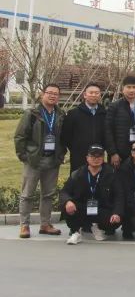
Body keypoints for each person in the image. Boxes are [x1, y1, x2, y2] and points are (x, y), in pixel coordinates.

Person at [14, 83, 66, 239]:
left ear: (58, 97)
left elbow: (64, 137)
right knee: (27, 194)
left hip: (52, 160)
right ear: (43, 94)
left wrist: (61, 154)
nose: (52, 96)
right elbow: (20, 136)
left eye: (55, 94)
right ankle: (24, 225)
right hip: (34, 160)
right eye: (49, 93)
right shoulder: (32, 113)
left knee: (48, 194)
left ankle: (45, 224)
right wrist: (24, 156)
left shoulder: (61, 114)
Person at [60, 144, 123, 245]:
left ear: (103, 158)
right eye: (93, 156)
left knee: (115, 220)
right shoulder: (78, 174)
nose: (96, 159)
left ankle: (96, 227)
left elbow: (119, 196)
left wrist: (117, 213)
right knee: (68, 207)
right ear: (87, 158)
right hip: (83, 208)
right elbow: (64, 192)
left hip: (102, 209)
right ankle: (76, 232)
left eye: (99, 156)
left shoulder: (111, 173)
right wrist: (68, 202)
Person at [62, 82, 107, 173]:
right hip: (78, 156)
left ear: (100, 95)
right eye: (91, 92)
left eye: (96, 93)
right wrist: (76, 148)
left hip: (98, 155)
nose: (93, 95)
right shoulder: (73, 114)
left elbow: (108, 134)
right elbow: (66, 136)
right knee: (78, 179)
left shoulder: (105, 114)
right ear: (85, 95)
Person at [105, 76, 135, 169]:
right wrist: (113, 153)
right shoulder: (114, 107)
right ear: (123, 89)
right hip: (119, 154)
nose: (131, 90)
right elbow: (108, 130)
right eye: (128, 87)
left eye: (134, 87)